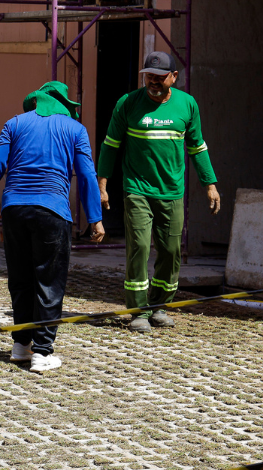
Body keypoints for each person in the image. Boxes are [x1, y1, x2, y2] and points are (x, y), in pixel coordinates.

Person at [0, 81, 104, 373]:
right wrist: (95, 218)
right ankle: (42, 352)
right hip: (52, 211)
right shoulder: (75, 130)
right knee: (48, 280)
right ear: (64, 105)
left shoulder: (14, 124)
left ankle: (21, 345)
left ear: (36, 101)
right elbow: (87, 174)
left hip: (14, 210)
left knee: (20, 278)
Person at [97, 51, 220, 333]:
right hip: (137, 189)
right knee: (139, 247)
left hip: (172, 191)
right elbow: (110, 145)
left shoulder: (187, 104)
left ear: (173, 77)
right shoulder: (128, 103)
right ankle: (138, 310)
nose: (153, 81)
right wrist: (102, 185)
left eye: (159, 77)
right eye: (149, 76)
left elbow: (197, 146)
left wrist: (210, 184)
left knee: (171, 251)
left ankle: (159, 306)